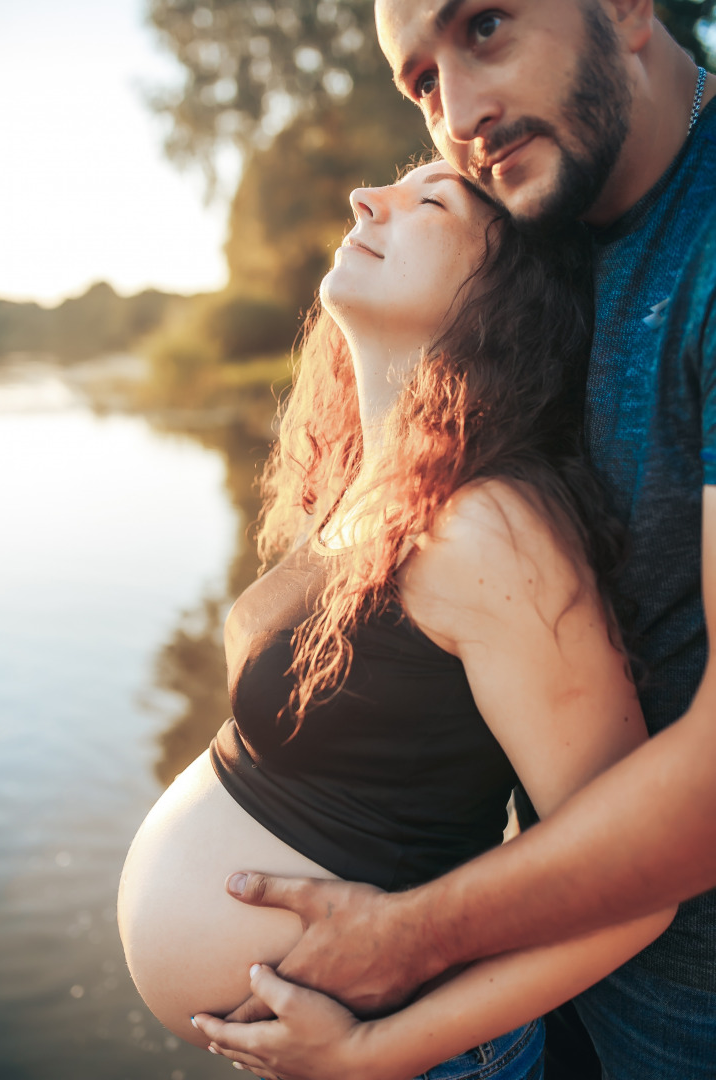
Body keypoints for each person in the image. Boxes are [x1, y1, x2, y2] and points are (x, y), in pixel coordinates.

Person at [194, 3, 716, 1079]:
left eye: (483, 26)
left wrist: (402, 955)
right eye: (422, 82)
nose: (461, 115)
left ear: (623, 7)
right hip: (559, 986)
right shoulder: (552, 211)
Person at [119, 159, 673, 1080]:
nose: (363, 199)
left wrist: (374, 1051)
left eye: (429, 202)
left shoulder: (487, 526)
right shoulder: (359, 488)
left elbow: (632, 883)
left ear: (505, 294)